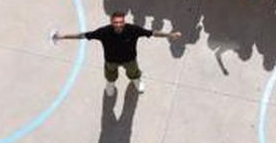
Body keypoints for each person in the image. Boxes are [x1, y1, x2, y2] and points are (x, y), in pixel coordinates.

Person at [52, 10, 183, 95]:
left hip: (130, 59)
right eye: (116, 22)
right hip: (111, 60)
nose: (119, 25)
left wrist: (169, 35)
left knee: (134, 73)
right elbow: (83, 36)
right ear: (111, 22)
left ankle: (136, 81)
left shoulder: (133, 29)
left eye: (121, 22)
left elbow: (152, 33)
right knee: (110, 75)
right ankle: (110, 84)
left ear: (124, 21)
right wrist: (62, 36)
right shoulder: (103, 32)